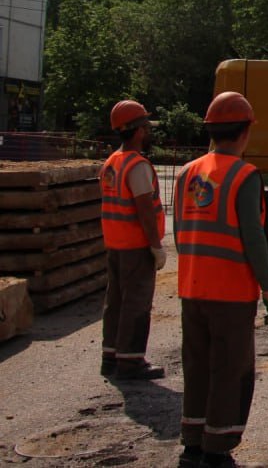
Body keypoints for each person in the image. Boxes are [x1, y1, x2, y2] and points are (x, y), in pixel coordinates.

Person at [173, 92, 268, 468]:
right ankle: (217, 450)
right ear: (245, 132)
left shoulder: (186, 173)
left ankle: (192, 445)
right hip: (231, 293)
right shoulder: (244, 175)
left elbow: (179, 231)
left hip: (192, 288)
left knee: (197, 366)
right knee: (230, 369)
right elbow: (253, 237)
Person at [99, 99, 167, 381]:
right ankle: (131, 362)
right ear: (138, 131)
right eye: (146, 127)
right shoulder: (137, 166)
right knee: (136, 304)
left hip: (115, 244)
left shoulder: (112, 162)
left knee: (115, 302)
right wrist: (156, 246)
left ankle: (111, 357)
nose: (148, 132)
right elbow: (145, 211)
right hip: (136, 246)